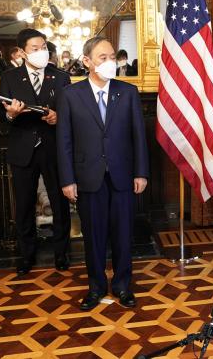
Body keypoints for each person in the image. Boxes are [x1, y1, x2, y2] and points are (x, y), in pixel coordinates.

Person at [57, 36, 149, 310]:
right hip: (88, 177)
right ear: (87, 62)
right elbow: (64, 141)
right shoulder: (70, 95)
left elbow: (138, 137)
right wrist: (67, 179)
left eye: (112, 57)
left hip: (122, 176)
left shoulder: (128, 92)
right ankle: (96, 287)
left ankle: (122, 285)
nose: (110, 62)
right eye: (102, 58)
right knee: (93, 236)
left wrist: (141, 172)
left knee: (123, 234)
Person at [0, 28, 71, 276]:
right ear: (21, 52)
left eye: (44, 47)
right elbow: (1, 115)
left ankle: (62, 253)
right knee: (25, 205)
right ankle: (26, 255)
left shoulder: (60, 76)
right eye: (35, 49)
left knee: (59, 204)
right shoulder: (9, 77)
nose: (41, 52)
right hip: (23, 150)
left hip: (53, 149)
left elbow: (71, 113)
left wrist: (58, 117)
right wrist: (11, 113)